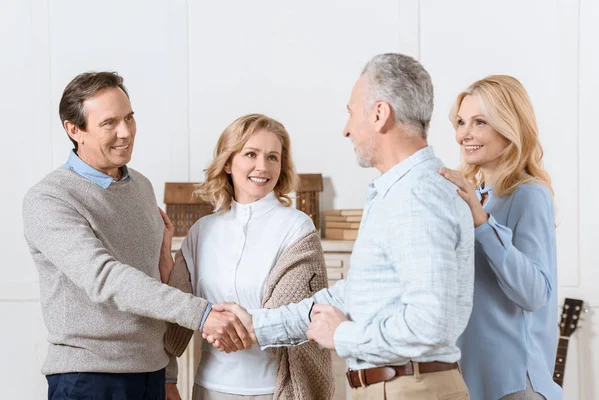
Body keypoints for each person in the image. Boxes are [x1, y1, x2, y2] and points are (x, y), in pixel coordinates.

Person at [207, 53, 475, 400]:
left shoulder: (416, 196)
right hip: (394, 386)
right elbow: (352, 295)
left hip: (408, 388)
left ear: (380, 114)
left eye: (351, 112)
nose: (347, 128)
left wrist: (344, 336)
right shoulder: (397, 192)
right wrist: (256, 324)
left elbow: (429, 324)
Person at [22, 71, 252, 400]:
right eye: (109, 123)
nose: (125, 132)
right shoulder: (49, 199)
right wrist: (201, 315)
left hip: (151, 375)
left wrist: (168, 375)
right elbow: (105, 277)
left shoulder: (141, 187)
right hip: (89, 378)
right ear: (74, 130)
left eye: (129, 118)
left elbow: (152, 285)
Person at [164, 114, 334, 400]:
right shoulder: (202, 231)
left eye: (272, 157)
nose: (262, 167)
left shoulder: (297, 227)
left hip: (275, 390)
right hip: (209, 388)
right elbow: (175, 312)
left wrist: (224, 326)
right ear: (228, 162)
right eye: (251, 154)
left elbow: (294, 317)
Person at [439, 75, 561, 400]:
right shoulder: (476, 195)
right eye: (461, 122)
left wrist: (482, 223)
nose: (464, 134)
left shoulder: (528, 194)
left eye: (479, 122)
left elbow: (535, 293)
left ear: (509, 127)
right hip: (471, 380)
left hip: (513, 385)